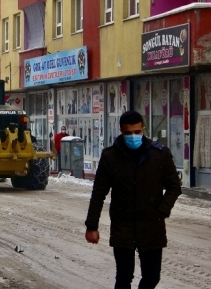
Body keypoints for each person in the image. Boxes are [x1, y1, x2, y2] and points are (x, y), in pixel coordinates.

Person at [84, 111, 182, 289]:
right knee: (124, 277)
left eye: (137, 132)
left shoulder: (159, 154)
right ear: (121, 131)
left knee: (152, 277)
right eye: (128, 133)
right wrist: (92, 226)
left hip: (152, 225)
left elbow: (174, 186)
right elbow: (98, 193)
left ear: (143, 129)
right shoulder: (110, 157)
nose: (133, 136)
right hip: (123, 226)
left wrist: (162, 210)